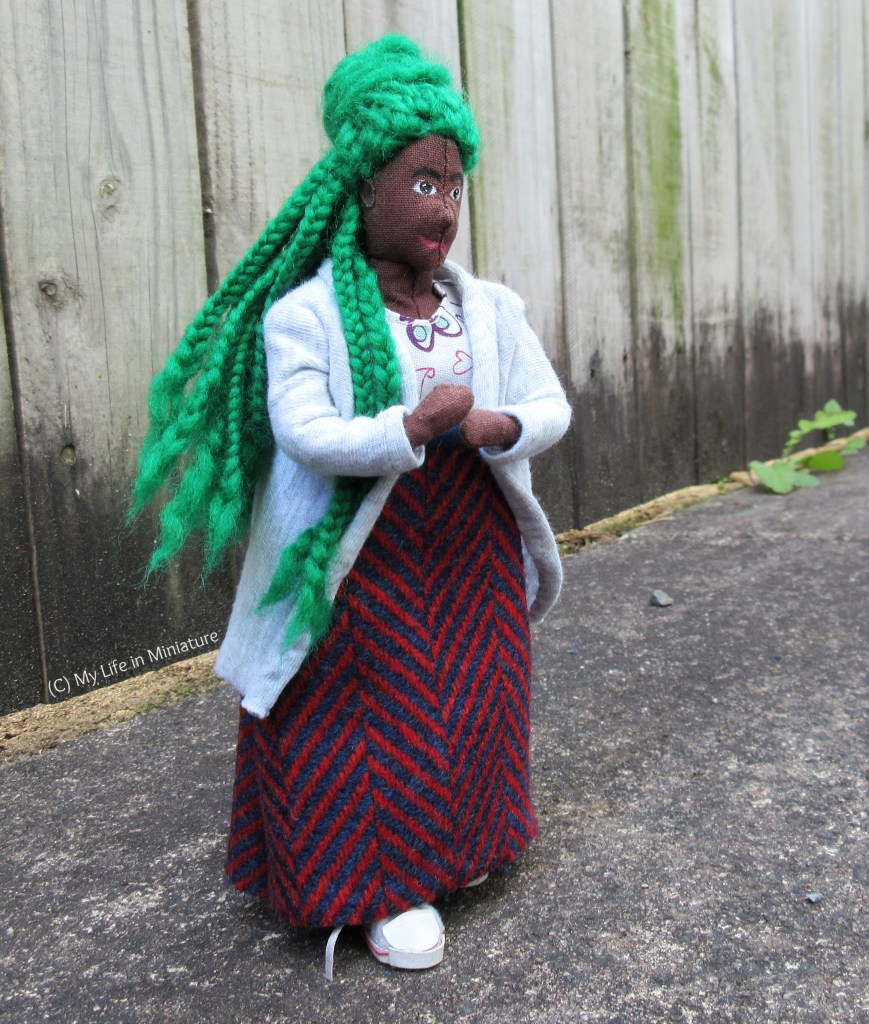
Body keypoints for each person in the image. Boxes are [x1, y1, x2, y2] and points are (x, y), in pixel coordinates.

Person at [126, 35, 570, 974]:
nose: (442, 205)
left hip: (467, 537)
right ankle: (378, 884)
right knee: (365, 717)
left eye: (453, 184)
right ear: (361, 187)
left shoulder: (488, 308)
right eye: (420, 183)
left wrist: (496, 426)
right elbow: (305, 430)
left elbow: (549, 404)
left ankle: (467, 845)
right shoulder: (308, 315)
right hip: (359, 556)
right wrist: (405, 430)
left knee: (477, 695)